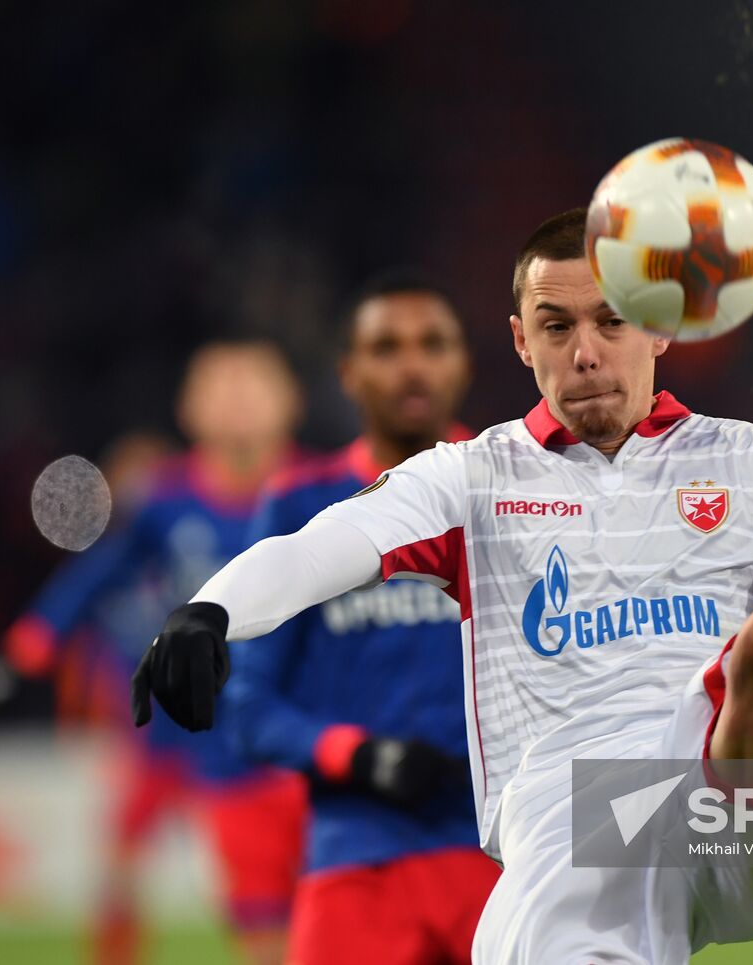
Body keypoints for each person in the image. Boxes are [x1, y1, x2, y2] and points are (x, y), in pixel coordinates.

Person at [133, 209, 753, 963]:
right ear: (519, 339)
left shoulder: (751, 455)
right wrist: (211, 608)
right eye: (556, 325)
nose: (584, 351)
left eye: (613, 320)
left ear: (661, 328)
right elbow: (327, 542)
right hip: (580, 813)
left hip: (735, 789)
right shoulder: (471, 476)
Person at [219, 272, 500, 964]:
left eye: (432, 344)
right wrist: (358, 755)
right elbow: (248, 708)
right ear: (348, 371)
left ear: (464, 362)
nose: (411, 364)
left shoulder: (522, 488)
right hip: (356, 854)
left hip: (506, 857)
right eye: (386, 346)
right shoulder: (298, 510)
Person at [4, 340, 310, 965]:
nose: (237, 400)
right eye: (219, 386)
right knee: (258, 920)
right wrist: (42, 631)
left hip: (315, 732)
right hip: (214, 743)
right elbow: (100, 572)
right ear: (188, 409)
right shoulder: (164, 502)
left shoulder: (330, 491)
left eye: (252, 383)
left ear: (291, 401)